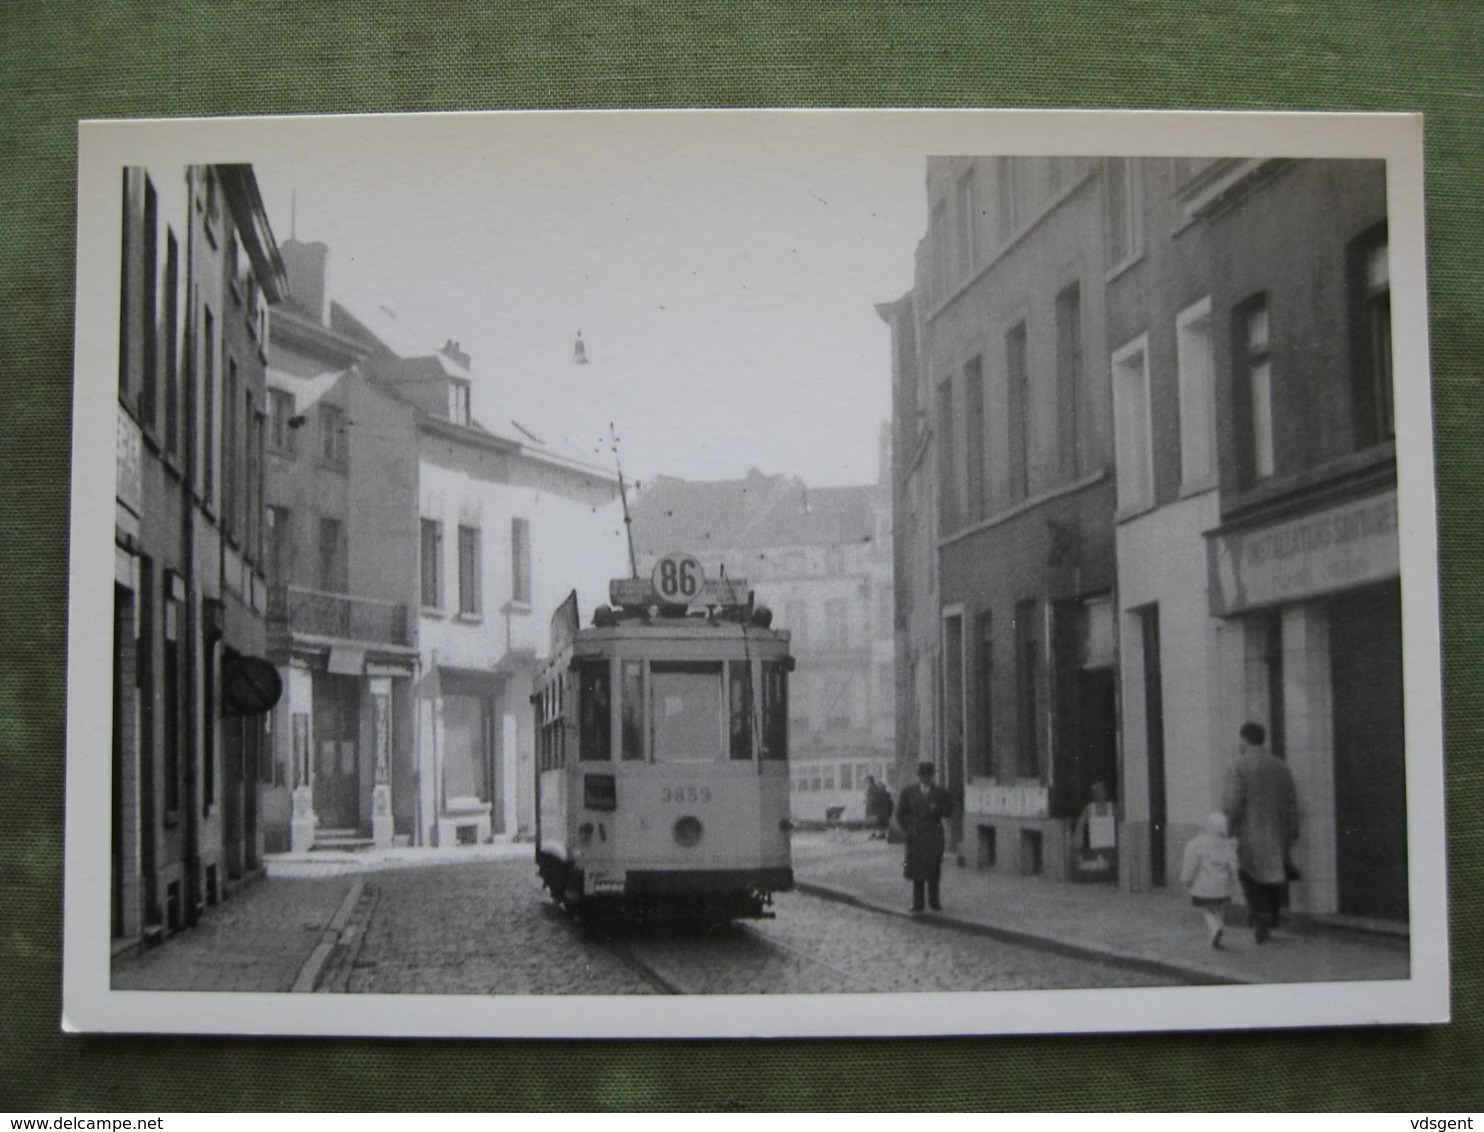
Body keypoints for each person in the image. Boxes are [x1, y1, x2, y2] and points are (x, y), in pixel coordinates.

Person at [1222, 721, 1300, 944]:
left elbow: (1232, 802)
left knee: (1250, 876)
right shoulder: (1280, 766)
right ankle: (1270, 918)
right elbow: (1291, 800)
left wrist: (1226, 829)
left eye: (1240, 739)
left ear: (1244, 739)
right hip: (1278, 834)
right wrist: (1293, 829)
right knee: (1274, 875)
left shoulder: (1239, 766)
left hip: (1251, 833)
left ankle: (1260, 921)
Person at [895, 761, 952, 913]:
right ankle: (917, 903)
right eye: (923, 776)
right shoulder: (908, 792)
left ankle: (934, 902)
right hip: (916, 837)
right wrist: (909, 828)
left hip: (934, 836)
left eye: (929, 776)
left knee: (934, 869)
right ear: (919, 776)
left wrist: (938, 809)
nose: (926, 779)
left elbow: (949, 811)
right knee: (916, 870)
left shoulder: (941, 792)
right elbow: (900, 814)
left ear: (933, 776)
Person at [1181, 812, 1240, 948]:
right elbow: (1233, 866)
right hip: (1222, 886)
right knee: (1218, 909)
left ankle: (1215, 928)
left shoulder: (1198, 843)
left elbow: (1191, 864)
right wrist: (1234, 881)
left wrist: (1187, 879)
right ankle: (1219, 925)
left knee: (1206, 910)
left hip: (1204, 886)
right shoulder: (1228, 844)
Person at [1070, 780, 1118, 878]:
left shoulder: (1112, 808)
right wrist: (1077, 846)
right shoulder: (1089, 808)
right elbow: (1080, 826)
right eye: (1095, 791)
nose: (1098, 793)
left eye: (1100, 790)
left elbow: (1121, 827)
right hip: (1095, 850)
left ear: (1105, 792)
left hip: (1111, 850)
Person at [863, 774, 894, 839]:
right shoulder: (875, 788)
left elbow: (873, 798)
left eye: (866, 781)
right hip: (876, 808)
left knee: (874, 822)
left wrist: (867, 801)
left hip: (873, 808)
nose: (865, 782)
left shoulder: (872, 788)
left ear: (869, 781)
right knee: (876, 822)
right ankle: (878, 833)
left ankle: (877, 834)